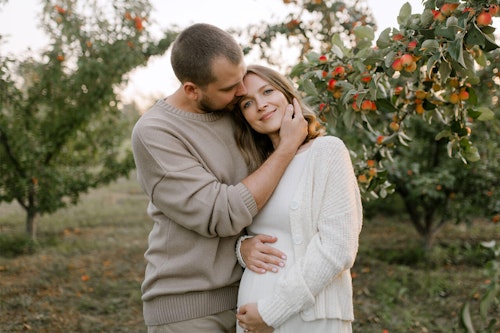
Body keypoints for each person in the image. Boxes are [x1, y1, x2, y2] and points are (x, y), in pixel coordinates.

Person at [131, 23, 307, 332]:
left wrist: (244, 247)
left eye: (241, 79)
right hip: (189, 309)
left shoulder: (237, 111)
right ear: (191, 89)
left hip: (254, 294)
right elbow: (220, 213)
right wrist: (287, 149)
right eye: (229, 88)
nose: (242, 92)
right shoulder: (155, 133)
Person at [233, 65, 363, 333]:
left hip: (308, 317)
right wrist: (242, 248)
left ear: (288, 95)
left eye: (268, 91)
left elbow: (338, 247)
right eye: (248, 102)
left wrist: (271, 311)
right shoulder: (258, 167)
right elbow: (254, 227)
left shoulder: (327, 151)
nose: (260, 105)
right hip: (252, 317)